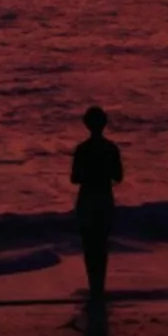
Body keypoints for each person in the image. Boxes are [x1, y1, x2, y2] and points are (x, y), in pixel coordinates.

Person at [70, 105, 124, 298]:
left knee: (89, 245)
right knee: (101, 244)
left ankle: (94, 286)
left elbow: (74, 178)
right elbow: (118, 176)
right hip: (104, 199)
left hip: (87, 199)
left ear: (87, 125)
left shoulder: (82, 149)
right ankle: (99, 286)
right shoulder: (111, 148)